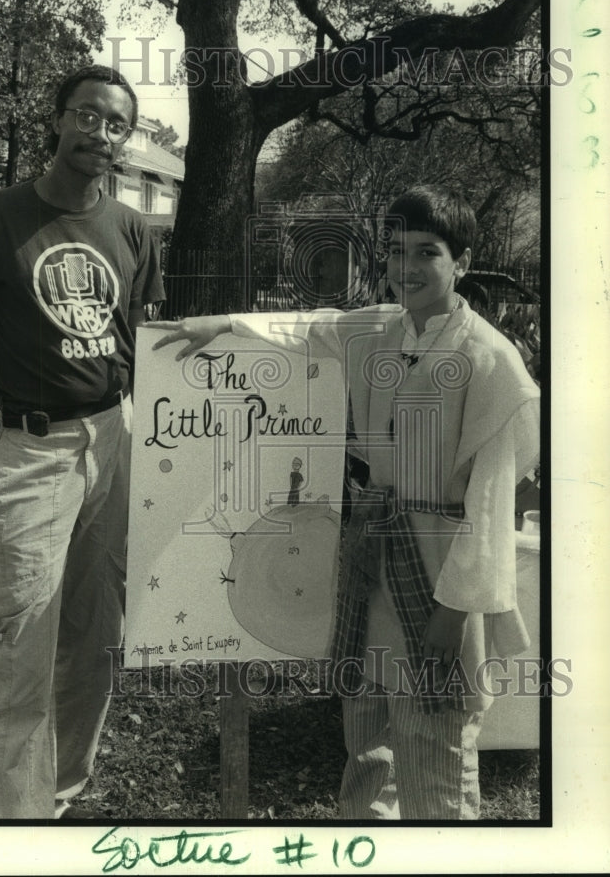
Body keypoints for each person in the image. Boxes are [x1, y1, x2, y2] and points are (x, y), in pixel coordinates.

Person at [151, 185, 540, 820]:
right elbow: (310, 328)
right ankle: (368, 833)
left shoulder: (489, 359)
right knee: (367, 728)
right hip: (373, 553)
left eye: (427, 252)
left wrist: (454, 608)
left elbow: (492, 503)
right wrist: (224, 323)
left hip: (441, 569)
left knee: (432, 731)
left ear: (462, 262)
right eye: (395, 251)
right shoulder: (380, 326)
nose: (406, 267)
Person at [0, 65, 165, 819]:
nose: (102, 134)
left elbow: (148, 343)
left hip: (115, 436)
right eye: (90, 116)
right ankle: (12, 822)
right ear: (58, 117)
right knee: (24, 647)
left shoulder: (133, 227)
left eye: (117, 125)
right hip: (31, 450)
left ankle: (61, 793)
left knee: (98, 635)